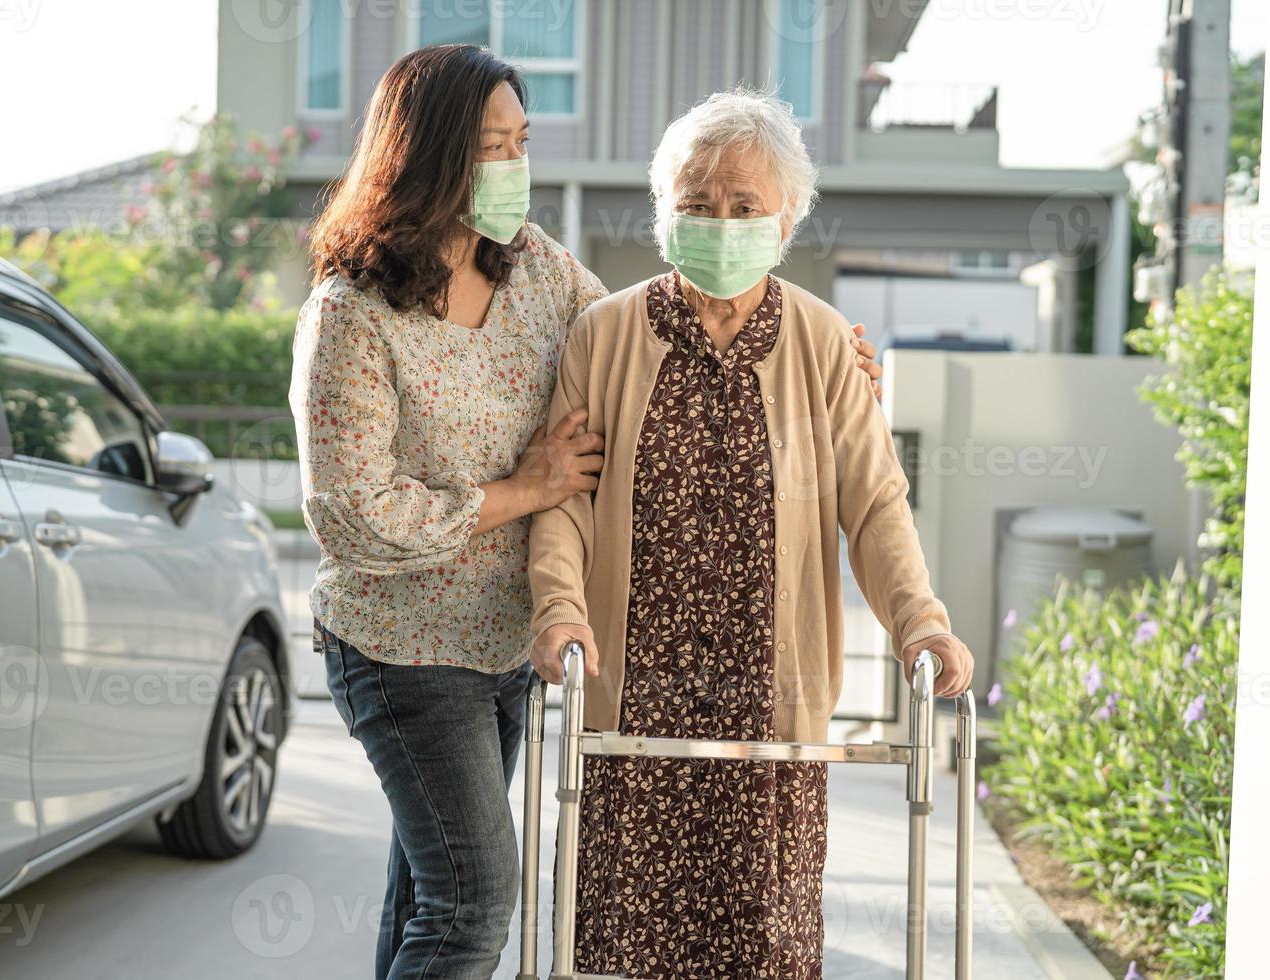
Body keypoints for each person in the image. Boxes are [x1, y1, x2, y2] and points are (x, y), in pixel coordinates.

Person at [292, 44, 885, 979]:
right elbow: (350, 515)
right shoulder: (352, 312)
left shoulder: (534, 269)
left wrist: (808, 357)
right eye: (492, 144)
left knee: (425, 894)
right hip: (405, 646)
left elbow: (643, 343)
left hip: (505, 645)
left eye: (521, 140)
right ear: (429, 154)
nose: (514, 165)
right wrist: (526, 492)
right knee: (474, 901)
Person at [527, 89, 975, 979]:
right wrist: (558, 609)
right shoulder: (603, 334)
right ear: (664, 215)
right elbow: (562, 501)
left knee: (760, 951)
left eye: (744, 206)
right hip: (633, 702)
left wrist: (920, 621)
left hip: (769, 712)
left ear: (784, 221)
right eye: (696, 204)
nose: (718, 222)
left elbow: (875, 500)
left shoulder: (820, 342)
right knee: (620, 947)